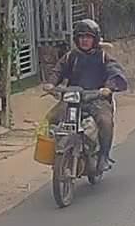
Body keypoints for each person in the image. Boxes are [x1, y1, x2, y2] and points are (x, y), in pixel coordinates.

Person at [43, 19, 128, 171]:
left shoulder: (103, 56)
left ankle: (103, 157)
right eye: (81, 37)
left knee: (105, 122)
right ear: (76, 39)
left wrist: (108, 88)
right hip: (72, 99)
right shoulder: (71, 56)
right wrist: (51, 83)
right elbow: (58, 71)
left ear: (95, 39)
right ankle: (55, 155)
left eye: (88, 37)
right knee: (51, 118)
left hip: (97, 100)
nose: (85, 40)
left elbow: (115, 73)